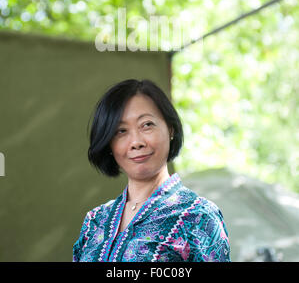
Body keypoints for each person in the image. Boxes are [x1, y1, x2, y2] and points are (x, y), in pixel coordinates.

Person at [73, 78, 231, 262]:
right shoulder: (95, 221)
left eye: (146, 125)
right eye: (121, 131)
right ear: (109, 143)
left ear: (170, 129)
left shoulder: (200, 217)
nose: (136, 142)